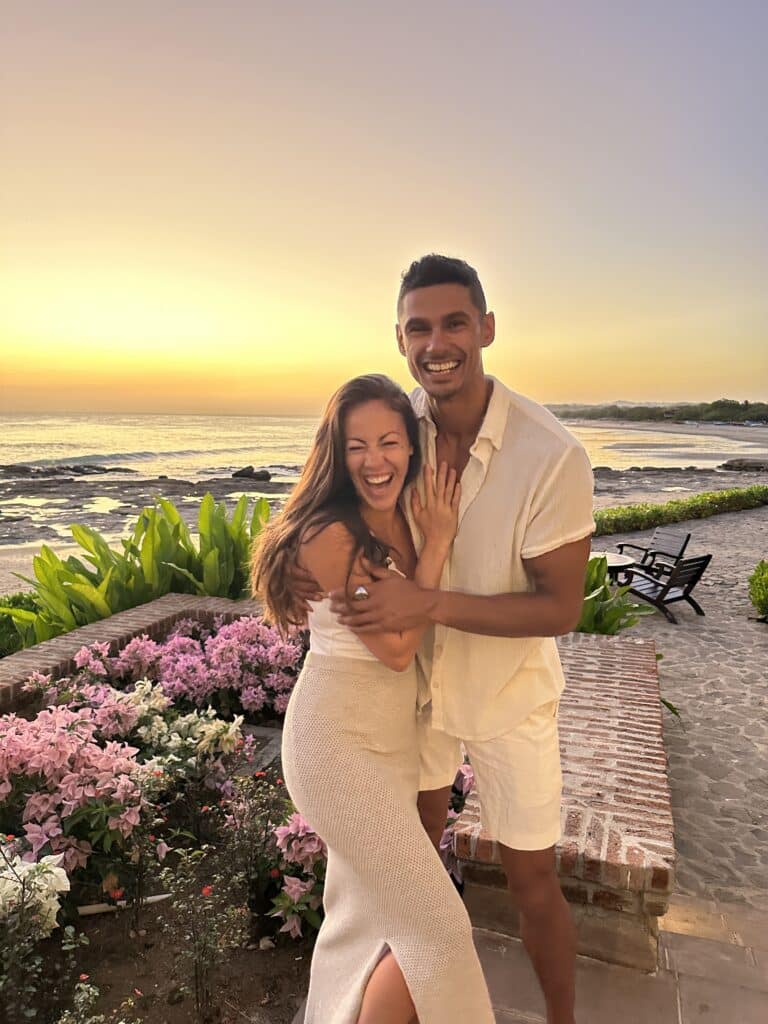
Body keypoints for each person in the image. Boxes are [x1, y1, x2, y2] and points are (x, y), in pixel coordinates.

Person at [295, 256, 595, 1024]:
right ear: (400, 340)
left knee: (530, 881)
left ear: (486, 328)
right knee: (405, 886)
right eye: (420, 327)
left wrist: (427, 596)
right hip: (412, 700)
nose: (438, 342)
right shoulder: (403, 430)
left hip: (505, 697)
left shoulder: (550, 454)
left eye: (455, 322)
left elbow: (560, 608)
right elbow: (342, 493)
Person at [251, 373, 496, 1024]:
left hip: (389, 745)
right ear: (337, 451)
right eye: (356, 445)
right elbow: (394, 649)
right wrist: (440, 543)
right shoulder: (331, 533)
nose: (374, 460)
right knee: (438, 932)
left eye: (389, 441)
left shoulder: (408, 518)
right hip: (337, 748)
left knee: (365, 925)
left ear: (411, 447)